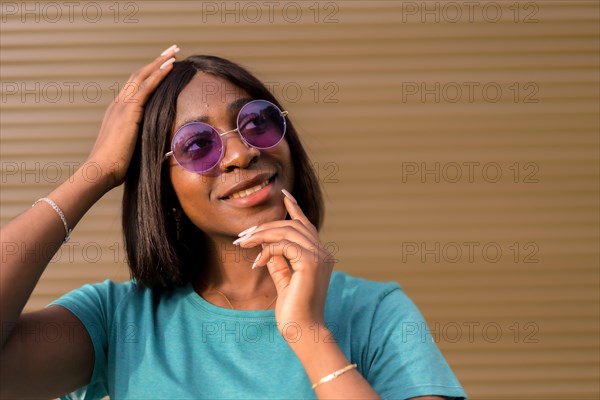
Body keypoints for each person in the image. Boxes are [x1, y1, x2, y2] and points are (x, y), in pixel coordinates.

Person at [0, 45, 467, 400]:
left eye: (255, 122)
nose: (243, 153)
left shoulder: (376, 313)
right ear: (162, 188)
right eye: (198, 146)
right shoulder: (117, 319)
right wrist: (97, 171)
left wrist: (308, 334)